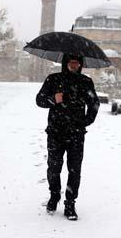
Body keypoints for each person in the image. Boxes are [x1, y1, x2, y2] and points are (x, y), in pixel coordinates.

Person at [36, 53, 100, 220]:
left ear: (81, 64)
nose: (74, 65)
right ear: (65, 62)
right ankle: (54, 195)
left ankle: (70, 203)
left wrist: (85, 122)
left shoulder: (85, 82)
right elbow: (39, 100)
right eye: (71, 62)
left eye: (77, 62)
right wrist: (53, 100)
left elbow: (94, 103)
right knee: (54, 167)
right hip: (55, 132)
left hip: (76, 135)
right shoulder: (53, 79)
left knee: (74, 170)